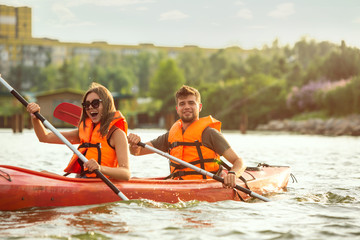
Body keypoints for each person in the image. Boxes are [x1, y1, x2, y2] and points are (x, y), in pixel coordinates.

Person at [128, 85, 246, 188]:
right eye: (182, 104)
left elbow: (239, 161)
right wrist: (134, 144)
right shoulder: (170, 136)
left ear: (199, 107)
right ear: (177, 109)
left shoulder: (210, 134)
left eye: (191, 103)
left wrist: (233, 174)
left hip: (206, 186)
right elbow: (137, 152)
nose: (186, 107)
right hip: (177, 186)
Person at [26, 82, 131, 180]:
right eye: (86, 104)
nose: (90, 107)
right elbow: (45, 137)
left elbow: (126, 173)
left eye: (95, 103)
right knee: (43, 174)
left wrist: (100, 168)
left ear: (107, 104)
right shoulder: (83, 133)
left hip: (102, 184)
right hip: (81, 182)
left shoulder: (117, 134)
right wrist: (35, 117)